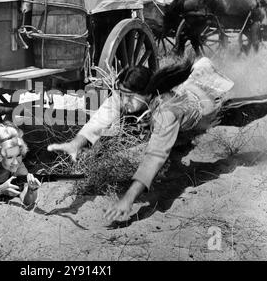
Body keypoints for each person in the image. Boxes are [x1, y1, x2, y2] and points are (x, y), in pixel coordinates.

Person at [48, 55, 267, 222]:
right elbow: (105, 112)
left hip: (206, 107)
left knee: (242, 115)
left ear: (147, 93)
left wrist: (128, 198)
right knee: (178, 143)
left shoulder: (166, 113)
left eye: (128, 97)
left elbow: (154, 155)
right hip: (184, 110)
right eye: (122, 94)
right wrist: (77, 142)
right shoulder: (132, 96)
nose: (123, 102)